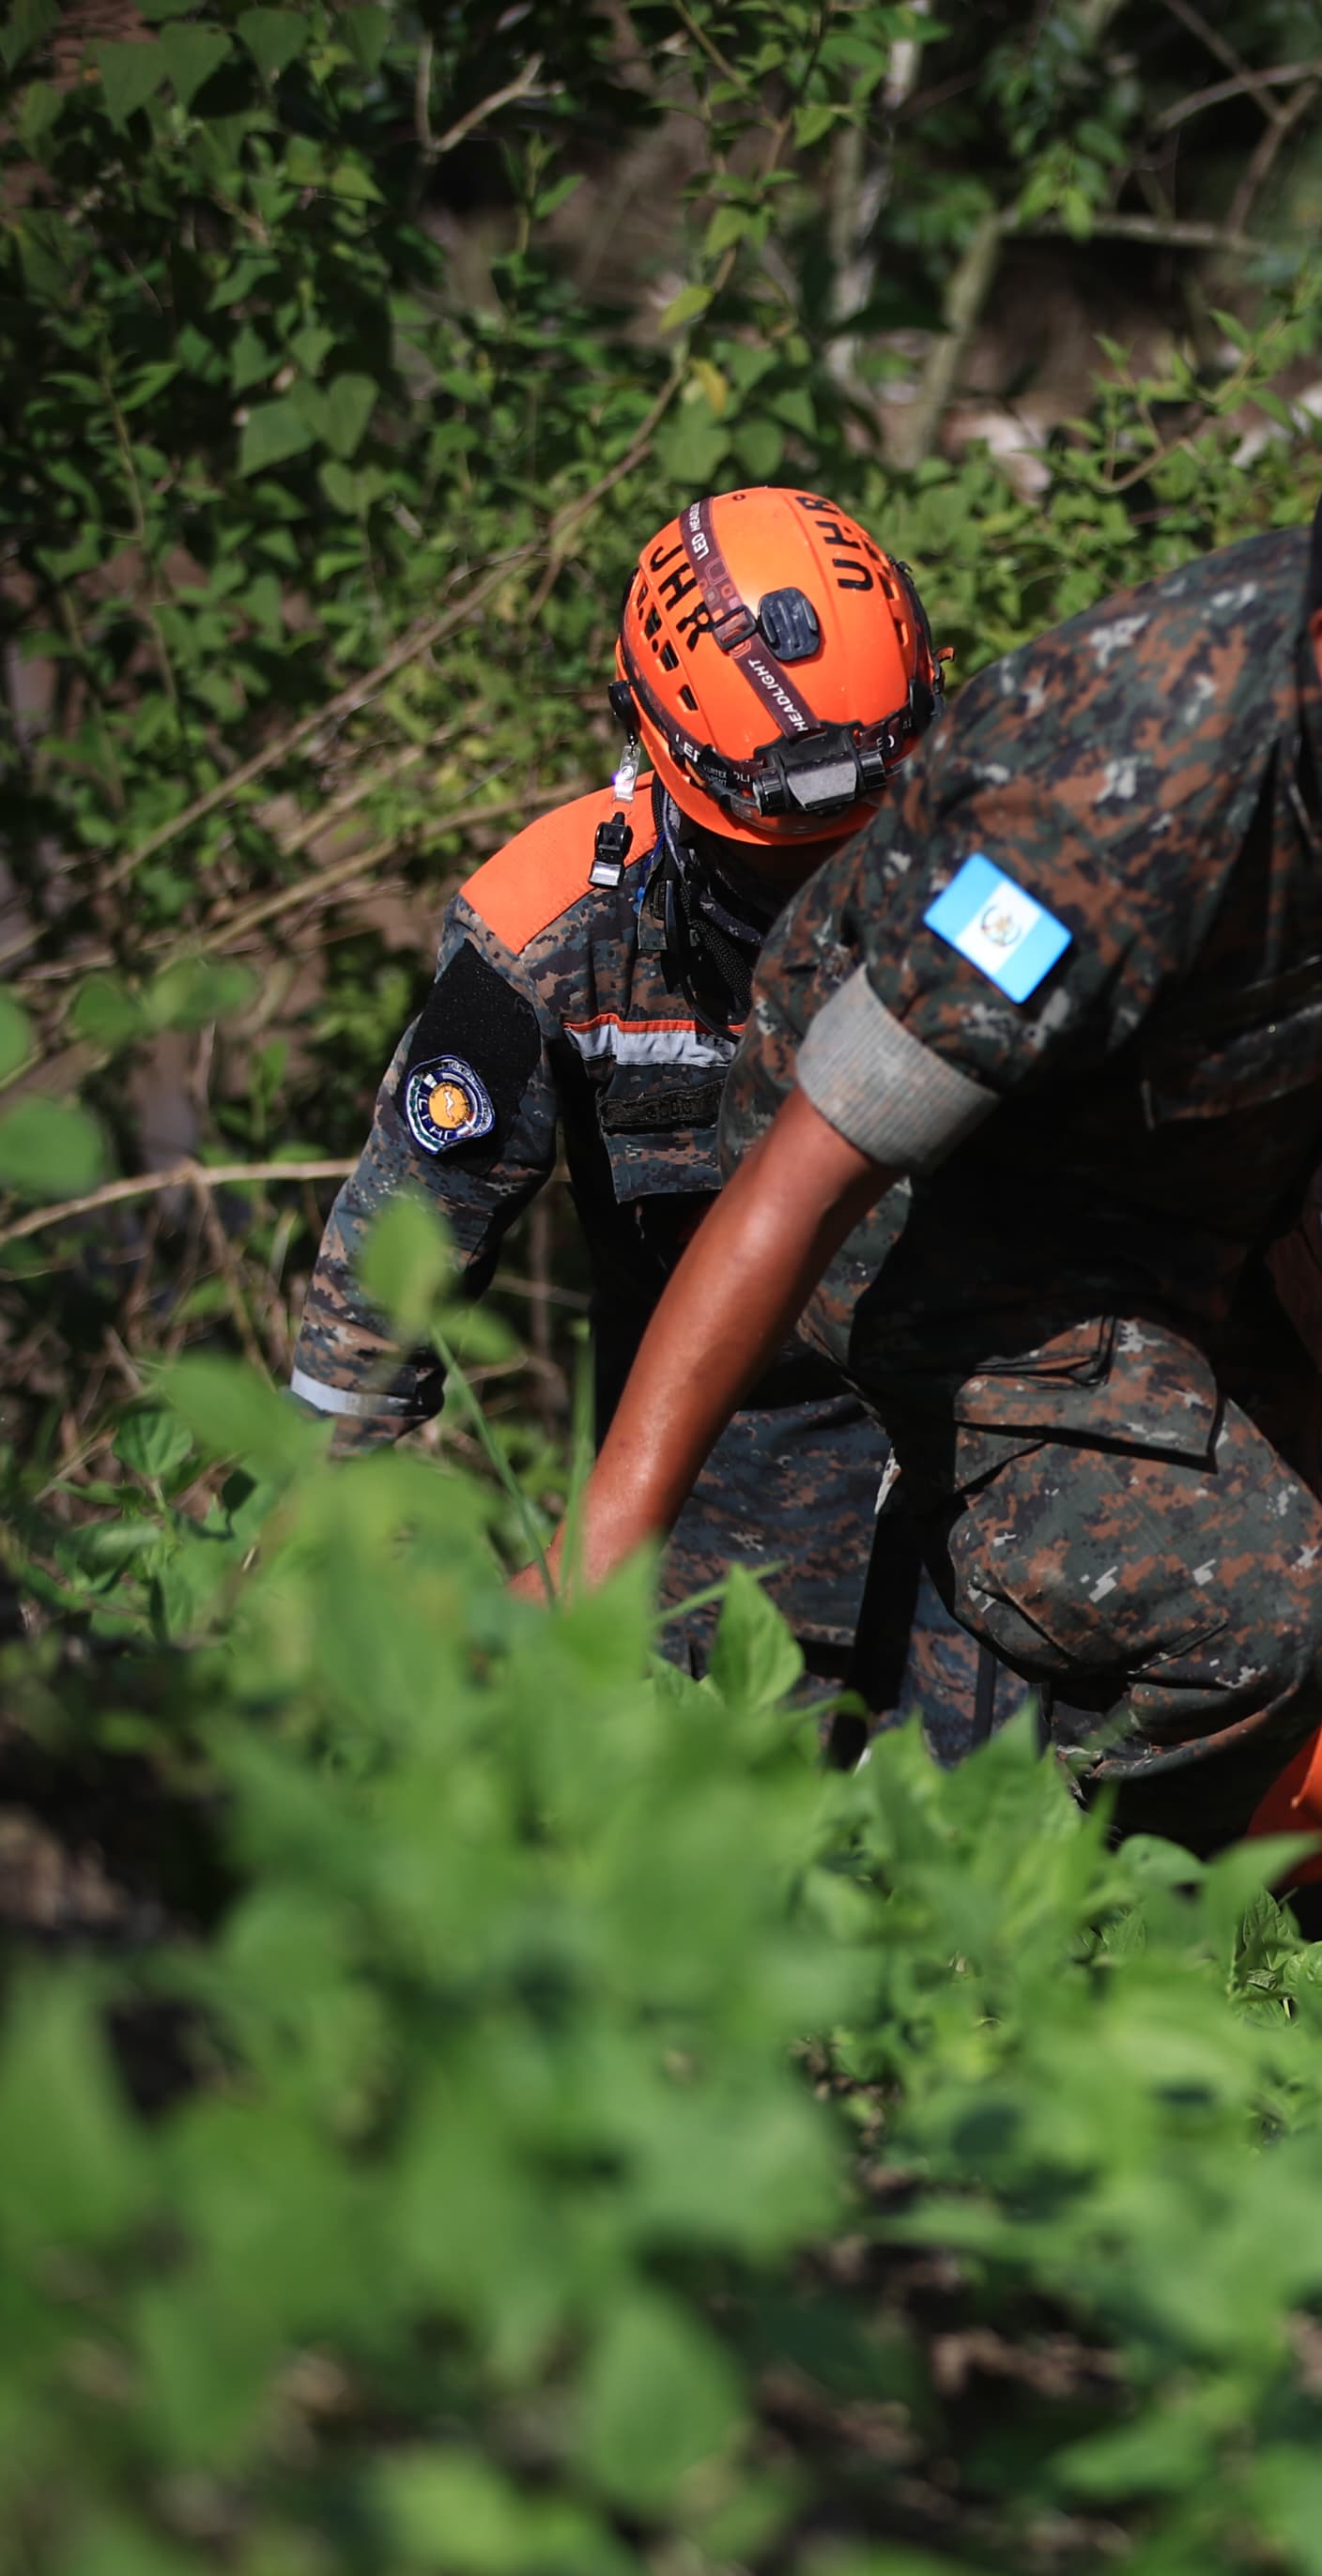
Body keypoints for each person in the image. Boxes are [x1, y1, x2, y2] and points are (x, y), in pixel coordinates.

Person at [535, 399, 1322, 1847]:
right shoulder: (1115, 808)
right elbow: (810, 1161)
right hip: (949, 1211)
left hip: (1175, 1166)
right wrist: (608, 1535)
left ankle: (1054, 1856)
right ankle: (987, 1922)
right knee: (1272, 1619)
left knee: (1296, 1517)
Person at [294, 487, 989, 1740]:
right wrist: (331, 1597)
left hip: (996, 1459)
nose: (822, 904)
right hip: (716, 1499)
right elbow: (381, 1294)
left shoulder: (1013, 865)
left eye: (859, 844)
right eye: (772, 864)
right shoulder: (552, 943)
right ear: (652, 751)